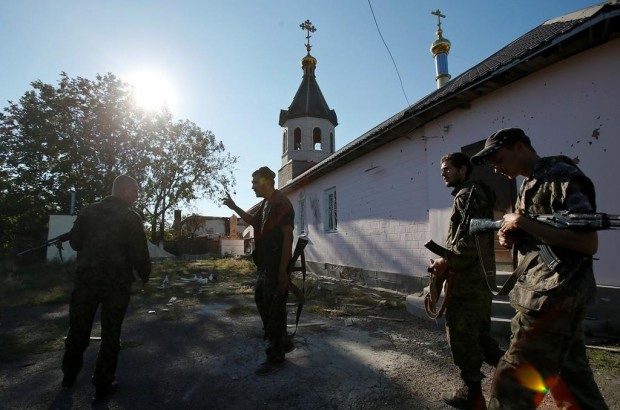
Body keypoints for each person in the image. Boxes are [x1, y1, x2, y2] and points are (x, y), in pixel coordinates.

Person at [471, 128, 608, 409]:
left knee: (510, 386)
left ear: (520, 147)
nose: (496, 169)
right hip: (541, 294)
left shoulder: (562, 177)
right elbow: (538, 236)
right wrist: (511, 235)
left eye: (498, 159)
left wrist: (522, 223)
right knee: (574, 385)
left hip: (554, 299)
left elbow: (587, 242)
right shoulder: (530, 183)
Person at [61, 175, 151, 403]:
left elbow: (75, 243)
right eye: (135, 192)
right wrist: (145, 276)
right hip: (116, 285)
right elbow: (139, 250)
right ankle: (103, 384)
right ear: (123, 191)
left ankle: (68, 376)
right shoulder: (130, 218)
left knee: (78, 329)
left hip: (86, 282)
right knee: (111, 334)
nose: (136, 196)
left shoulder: (87, 211)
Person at [431, 152, 505, 409]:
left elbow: (471, 240)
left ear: (463, 170)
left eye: (448, 169)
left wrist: (446, 261)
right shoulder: (472, 193)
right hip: (477, 278)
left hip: (468, 281)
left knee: (461, 334)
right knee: (481, 335)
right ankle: (514, 377)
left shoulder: (467, 195)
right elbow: (470, 234)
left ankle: (472, 394)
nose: (443, 173)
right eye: (442, 169)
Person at [223, 166, 295, 376]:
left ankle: (276, 355)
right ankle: (281, 341)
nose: (252, 186)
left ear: (265, 182)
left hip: (276, 266)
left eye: (255, 182)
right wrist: (235, 206)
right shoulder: (266, 204)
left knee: (275, 308)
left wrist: (283, 270)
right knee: (261, 300)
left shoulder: (282, 204)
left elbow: (288, 239)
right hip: (266, 265)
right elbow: (253, 221)